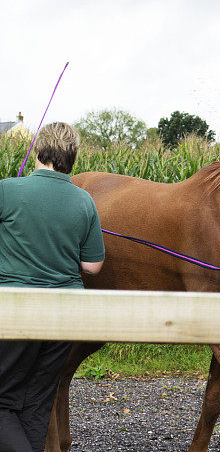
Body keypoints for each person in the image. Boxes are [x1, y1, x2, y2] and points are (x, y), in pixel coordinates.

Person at [0, 122, 105, 452]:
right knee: (36, 405)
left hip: (16, 312)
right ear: (72, 156)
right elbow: (92, 265)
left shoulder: (7, 190)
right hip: (64, 316)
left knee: (2, 402)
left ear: (37, 153)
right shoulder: (85, 201)